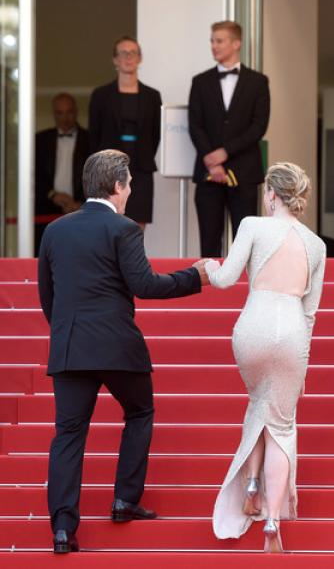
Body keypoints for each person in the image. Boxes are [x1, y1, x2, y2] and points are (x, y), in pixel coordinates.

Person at [37, 150, 209, 554]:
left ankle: (63, 529)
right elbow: (145, 285)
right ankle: (124, 499)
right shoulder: (124, 228)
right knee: (140, 411)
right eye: (129, 184)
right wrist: (194, 277)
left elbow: (49, 296)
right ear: (117, 186)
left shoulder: (55, 231)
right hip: (117, 347)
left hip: (70, 348)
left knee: (68, 434)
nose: (131, 191)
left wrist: (67, 332)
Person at [207, 162, 326, 553]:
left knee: (260, 404)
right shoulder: (316, 245)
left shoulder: (252, 226)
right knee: (282, 422)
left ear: (271, 194)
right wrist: (304, 365)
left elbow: (224, 279)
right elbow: (310, 314)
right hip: (291, 330)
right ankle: (272, 520)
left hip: (253, 327)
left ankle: (252, 485)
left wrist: (207, 267)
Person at [189, 20, 271, 257]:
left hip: (244, 173)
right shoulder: (200, 82)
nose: (214, 46)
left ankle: (244, 292)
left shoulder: (258, 82)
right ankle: (209, 292)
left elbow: (259, 126)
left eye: (219, 41)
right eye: (212, 41)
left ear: (236, 43)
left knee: (246, 242)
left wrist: (225, 152)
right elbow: (195, 125)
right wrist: (212, 161)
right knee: (209, 240)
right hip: (207, 176)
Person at [89, 36, 162, 231]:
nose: (128, 57)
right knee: (107, 223)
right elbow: (94, 136)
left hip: (141, 168)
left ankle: (132, 262)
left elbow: (155, 134)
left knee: (136, 227)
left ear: (140, 58)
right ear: (115, 59)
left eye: (133, 53)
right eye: (123, 53)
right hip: (108, 170)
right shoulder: (101, 95)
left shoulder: (152, 96)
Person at [35, 93, 90, 254]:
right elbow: (34, 176)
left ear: (76, 112)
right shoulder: (39, 140)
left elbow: (96, 175)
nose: (64, 118)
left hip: (81, 210)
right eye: (59, 113)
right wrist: (52, 194)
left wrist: (82, 203)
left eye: (69, 112)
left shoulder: (91, 139)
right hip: (45, 211)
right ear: (53, 113)